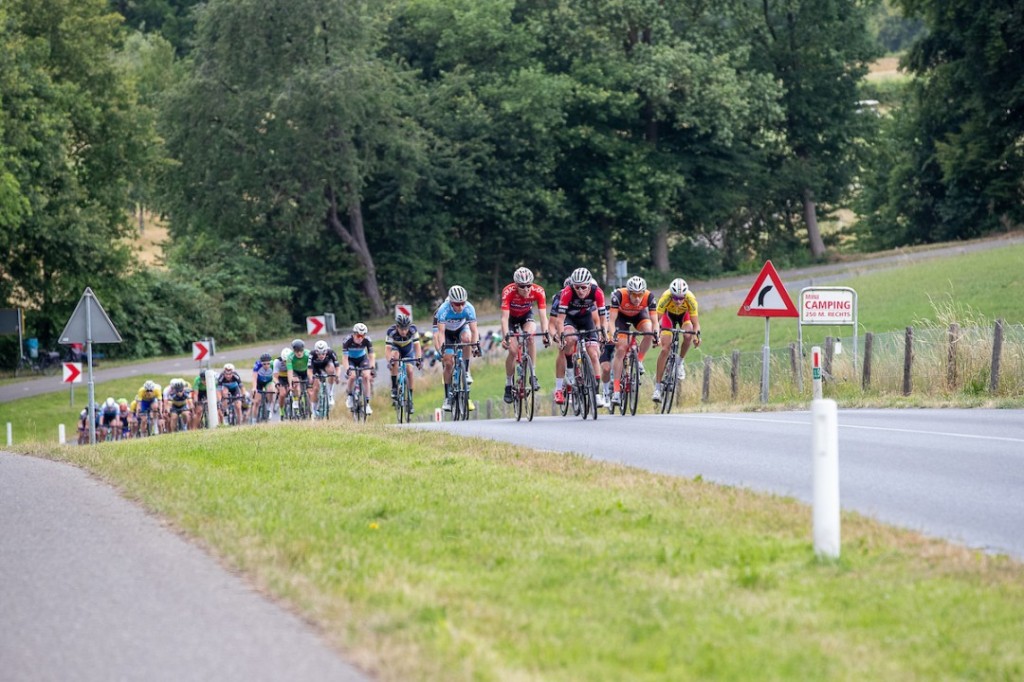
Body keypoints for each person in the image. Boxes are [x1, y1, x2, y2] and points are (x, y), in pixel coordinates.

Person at [549, 268, 609, 407]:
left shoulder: (597, 291)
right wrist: (561, 336)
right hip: (569, 320)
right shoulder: (566, 293)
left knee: (594, 354)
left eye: (583, 287)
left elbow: (601, 318)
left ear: (589, 285)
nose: (580, 290)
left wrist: (603, 332)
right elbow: (558, 320)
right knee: (571, 339)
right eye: (577, 287)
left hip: (586, 320)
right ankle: (570, 370)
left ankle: (597, 394)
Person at [499, 267, 549, 403]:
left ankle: (532, 374)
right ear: (516, 285)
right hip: (511, 319)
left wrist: (546, 334)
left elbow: (543, 317)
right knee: (513, 351)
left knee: (530, 337)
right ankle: (508, 384)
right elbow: (504, 318)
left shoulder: (538, 291)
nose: (526, 289)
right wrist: (506, 337)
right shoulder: (508, 291)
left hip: (526, 316)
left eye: (529, 285)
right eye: (522, 286)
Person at [608, 275, 658, 405]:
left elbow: (655, 321)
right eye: (634, 295)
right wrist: (613, 335)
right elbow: (611, 321)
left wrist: (656, 334)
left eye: (640, 295)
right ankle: (617, 391)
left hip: (639, 316)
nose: (637, 298)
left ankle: (639, 360)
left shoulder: (649, 297)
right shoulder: (618, 295)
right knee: (621, 349)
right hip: (621, 318)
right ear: (628, 292)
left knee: (649, 332)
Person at [652, 277, 702, 402]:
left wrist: (697, 336)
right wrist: (656, 335)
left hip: (684, 317)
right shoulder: (665, 297)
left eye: (681, 298)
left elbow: (696, 324)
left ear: (685, 295)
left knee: (688, 333)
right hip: (668, 317)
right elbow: (656, 321)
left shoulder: (691, 299)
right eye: (675, 298)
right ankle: (657, 388)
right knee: (665, 349)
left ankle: (680, 362)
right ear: (671, 295)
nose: (678, 301)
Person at [435, 285, 480, 412]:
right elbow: (441, 333)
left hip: (461, 329)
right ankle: (447, 397)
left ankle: (465, 371)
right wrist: (443, 348)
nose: (460, 307)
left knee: (467, 339)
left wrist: (475, 344)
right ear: (451, 303)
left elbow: (474, 330)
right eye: (457, 304)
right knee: (448, 363)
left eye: (462, 303)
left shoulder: (469, 308)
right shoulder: (443, 309)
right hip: (448, 334)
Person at [386, 311, 423, 412]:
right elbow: (388, 349)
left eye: (406, 329)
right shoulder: (391, 332)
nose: (404, 331)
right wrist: (390, 361)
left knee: (410, 371)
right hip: (395, 348)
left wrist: (419, 359)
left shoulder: (413, 330)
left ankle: (410, 399)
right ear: (397, 327)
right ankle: (394, 387)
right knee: (395, 356)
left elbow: (417, 346)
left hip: (407, 350)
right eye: (401, 329)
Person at [341, 323, 376, 415]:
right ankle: (349, 396)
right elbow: (344, 359)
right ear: (354, 334)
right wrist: (347, 369)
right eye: (358, 335)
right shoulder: (347, 341)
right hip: (350, 360)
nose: (360, 338)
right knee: (352, 376)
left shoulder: (367, 340)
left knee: (366, 376)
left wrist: (372, 368)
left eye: (363, 335)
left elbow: (371, 356)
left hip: (362, 359)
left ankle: (367, 404)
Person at [309, 340, 339, 414]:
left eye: (323, 353)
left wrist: (337, 376)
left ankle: (330, 393)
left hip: (326, 366)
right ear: (316, 352)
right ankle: (314, 410)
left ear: (326, 351)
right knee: (315, 388)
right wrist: (310, 378)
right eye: (319, 354)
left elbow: (337, 367)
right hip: (316, 368)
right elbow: (309, 369)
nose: (321, 356)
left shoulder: (331, 352)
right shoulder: (312, 354)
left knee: (331, 370)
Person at [286, 339, 314, 414]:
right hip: (296, 372)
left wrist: (311, 378)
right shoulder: (290, 357)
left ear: (303, 349)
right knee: (296, 383)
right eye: (297, 351)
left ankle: (312, 407)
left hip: (306, 371)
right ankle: (296, 400)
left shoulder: (308, 354)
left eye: (301, 351)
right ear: (293, 351)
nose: (299, 353)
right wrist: (290, 384)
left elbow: (311, 368)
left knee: (310, 392)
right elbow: (290, 371)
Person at [251, 352, 277, 420]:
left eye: (268, 363)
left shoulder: (273, 364)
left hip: (268, 382)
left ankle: (269, 408)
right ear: (261, 363)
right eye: (264, 364)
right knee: (256, 402)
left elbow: (275, 376)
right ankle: (254, 420)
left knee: (271, 390)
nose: (266, 365)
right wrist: (254, 387)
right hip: (259, 382)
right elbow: (254, 377)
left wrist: (277, 384)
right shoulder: (257, 365)